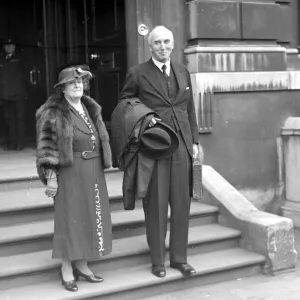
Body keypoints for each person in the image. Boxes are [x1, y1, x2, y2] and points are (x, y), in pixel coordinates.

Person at [120, 26, 204, 278]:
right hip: (153, 146)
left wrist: (196, 141)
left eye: (167, 41)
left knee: (181, 204)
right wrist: (145, 120)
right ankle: (157, 261)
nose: (163, 46)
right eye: (157, 42)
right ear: (150, 46)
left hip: (182, 147)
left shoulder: (182, 70)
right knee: (156, 205)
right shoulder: (137, 73)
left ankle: (179, 258)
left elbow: (189, 109)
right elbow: (126, 104)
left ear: (173, 43)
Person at [36, 65, 113, 292]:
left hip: (93, 171)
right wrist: (51, 177)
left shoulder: (89, 108)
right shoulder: (53, 112)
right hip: (69, 172)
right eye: (73, 82)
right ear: (62, 89)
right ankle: (66, 268)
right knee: (69, 219)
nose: (78, 85)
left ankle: (82, 265)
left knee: (88, 216)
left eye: (81, 82)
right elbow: (46, 148)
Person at [0, 38, 28, 150]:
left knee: (20, 118)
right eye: (7, 45)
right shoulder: (1, 59)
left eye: (11, 45)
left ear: (15, 47)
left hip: (18, 93)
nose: (9, 47)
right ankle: (12, 143)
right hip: (5, 94)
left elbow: (25, 76)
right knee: (9, 119)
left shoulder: (20, 59)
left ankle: (20, 143)